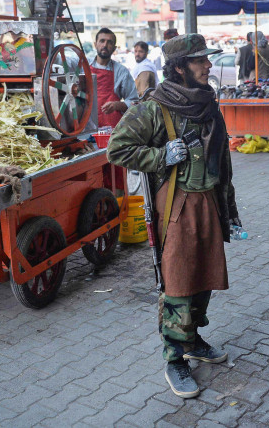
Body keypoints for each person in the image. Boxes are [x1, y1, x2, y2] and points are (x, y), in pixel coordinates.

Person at [106, 33, 240, 399]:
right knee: (178, 282)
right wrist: (161, 156)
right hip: (175, 208)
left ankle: (193, 340)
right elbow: (116, 149)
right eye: (200, 61)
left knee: (205, 277)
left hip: (209, 202)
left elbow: (222, 161)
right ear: (180, 68)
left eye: (207, 60)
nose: (208, 66)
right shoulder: (154, 107)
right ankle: (174, 358)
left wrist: (230, 209)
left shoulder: (208, 104)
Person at [88, 28, 137, 128]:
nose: (105, 45)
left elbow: (134, 102)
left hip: (111, 131)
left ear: (114, 48)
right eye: (102, 41)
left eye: (109, 42)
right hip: (85, 129)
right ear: (95, 44)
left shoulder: (122, 72)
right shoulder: (83, 67)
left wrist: (117, 105)